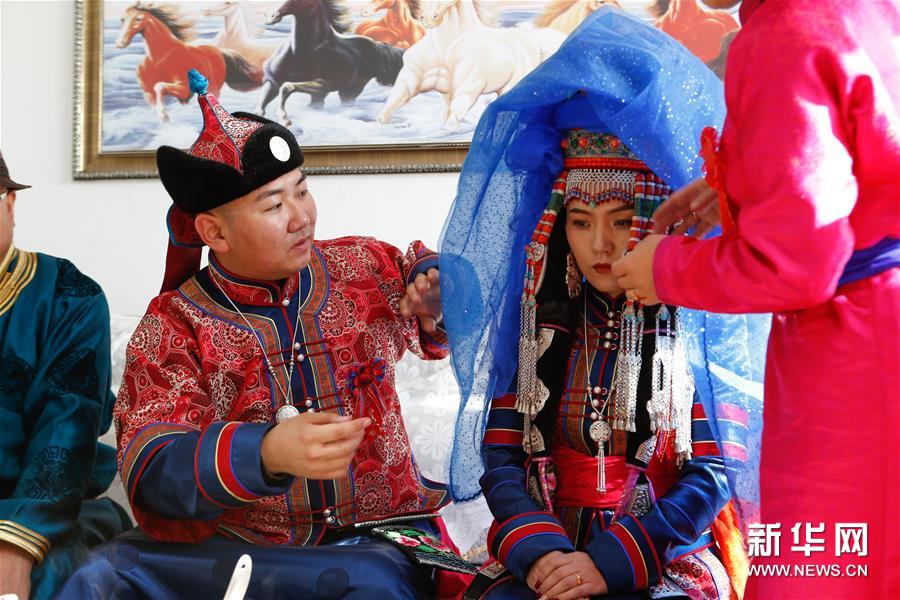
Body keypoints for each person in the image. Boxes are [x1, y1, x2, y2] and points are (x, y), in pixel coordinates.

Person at [58, 71, 471, 599]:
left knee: (372, 587)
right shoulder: (174, 323)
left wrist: (441, 298)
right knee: (103, 574)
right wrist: (264, 454)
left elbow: (433, 281)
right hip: (238, 544)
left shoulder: (362, 264)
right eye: (274, 205)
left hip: (374, 537)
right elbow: (152, 465)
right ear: (214, 232)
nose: (301, 218)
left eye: (303, 191)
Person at [440, 9, 766, 600]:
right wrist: (545, 553)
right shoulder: (537, 319)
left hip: (661, 549)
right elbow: (502, 457)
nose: (600, 246)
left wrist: (613, 560)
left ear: (658, 218)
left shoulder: (699, 325)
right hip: (548, 547)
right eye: (581, 221)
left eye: (621, 221)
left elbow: (717, 469)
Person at [611, 1, 900, 596]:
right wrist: (742, 184)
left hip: (856, 357)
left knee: (823, 571)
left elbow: (797, 262)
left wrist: (665, 267)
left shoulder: (786, 30)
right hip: (872, 333)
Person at [0, 150, 130, 600]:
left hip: (44, 517)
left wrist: (15, 543)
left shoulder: (68, 296)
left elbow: (67, 430)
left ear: (10, 202)